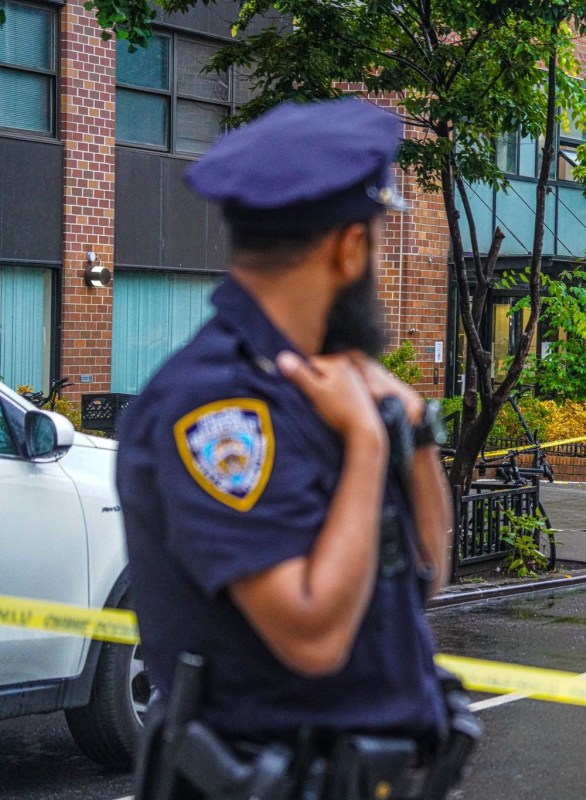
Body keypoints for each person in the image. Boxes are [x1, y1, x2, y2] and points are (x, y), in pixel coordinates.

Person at [116, 99, 475, 799]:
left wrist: (415, 430)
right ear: (347, 247)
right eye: (373, 235)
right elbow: (310, 639)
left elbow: (426, 574)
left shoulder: (331, 389)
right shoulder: (220, 408)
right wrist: (370, 448)